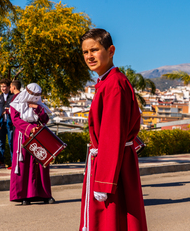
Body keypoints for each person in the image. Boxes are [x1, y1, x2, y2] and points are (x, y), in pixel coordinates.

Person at [79, 28, 147, 231]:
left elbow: (112, 135)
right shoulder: (107, 82)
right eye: (85, 52)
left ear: (111, 50)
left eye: (94, 50)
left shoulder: (114, 85)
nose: (89, 56)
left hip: (112, 168)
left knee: (111, 220)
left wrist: (104, 182)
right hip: (112, 163)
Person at [9, 83, 54, 205]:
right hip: (23, 134)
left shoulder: (38, 104)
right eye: (33, 95)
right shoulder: (16, 102)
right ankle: (23, 195)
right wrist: (29, 128)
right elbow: (15, 120)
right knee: (24, 164)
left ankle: (44, 194)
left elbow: (45, 120)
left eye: (37, 96)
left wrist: (37, 108)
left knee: (41, 163)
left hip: (38, 135)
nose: (35, 98)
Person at [0, 78, 14, 168]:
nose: (3, 88)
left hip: (10, 124)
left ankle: (13, 162)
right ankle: (1, 161)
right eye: (1, 86)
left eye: (4, 86)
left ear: (8, 87)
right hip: (1, 124)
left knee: (11, 143)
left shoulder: (13, 97)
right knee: (1, 143)